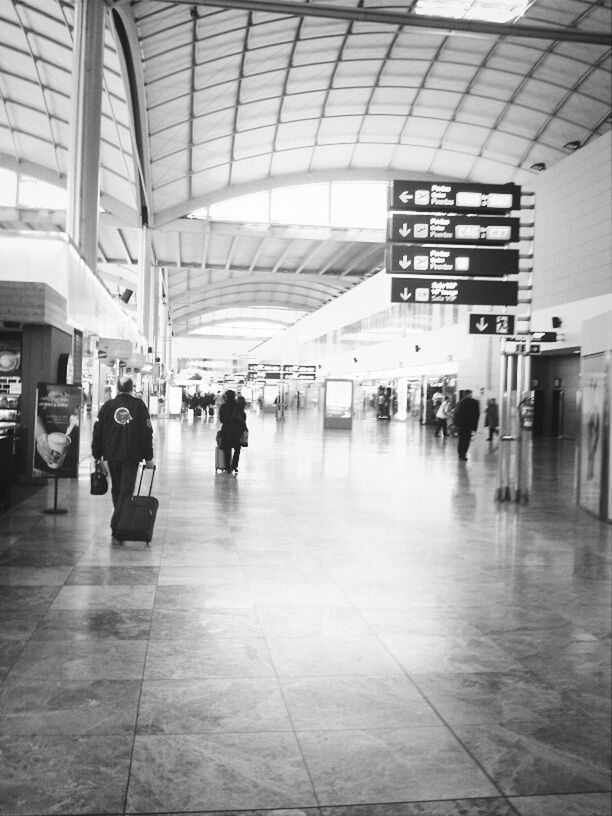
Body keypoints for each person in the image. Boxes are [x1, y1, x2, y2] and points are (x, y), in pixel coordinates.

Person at [92, 375, 154, 546]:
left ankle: (118, 524)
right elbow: (146, 433)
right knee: (126, 491)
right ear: (132, 388)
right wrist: (148, 457)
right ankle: (117, 524)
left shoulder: (107, 406)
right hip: (131, 456)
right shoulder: (139, 406)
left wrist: (97, 455)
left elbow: (97, 431)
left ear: (117, 388)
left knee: (117, 489)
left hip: (112, 456)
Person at [218, 389, 247, 475]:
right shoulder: (238, 406)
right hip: (237, 430)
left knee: (227, 448)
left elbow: (222, 419)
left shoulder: (223, 406)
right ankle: (234, 465)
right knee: (237, 449)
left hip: (227, 429)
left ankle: (227, 467)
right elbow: (243, 416)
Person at [453, 389, 480, 461]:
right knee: (467, 440)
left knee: (461, 440)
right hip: (469, 426)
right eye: (471, 394)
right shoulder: (474, 403)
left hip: (461, 426)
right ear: (469, 394)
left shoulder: (460, 402)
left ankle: (460, 455)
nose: (471, 395)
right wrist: (474, 427)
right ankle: (463, 454)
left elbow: (456, 414)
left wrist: (456, 424)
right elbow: (476, 415)